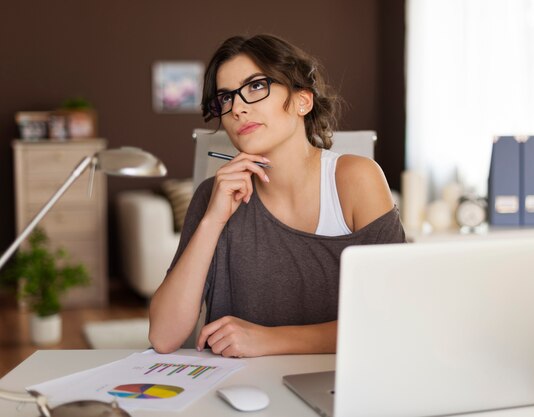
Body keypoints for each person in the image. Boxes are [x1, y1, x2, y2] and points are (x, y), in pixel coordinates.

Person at [149, 34, 405, 358]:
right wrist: (213, 220)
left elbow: (394, 317)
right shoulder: (212, 196)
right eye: (225, 98)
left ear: (303, 100)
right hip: (240, 394)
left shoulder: (357, 181)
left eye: (256, 86)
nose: (237, 108)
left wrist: (268, 340)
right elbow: (163, 336)